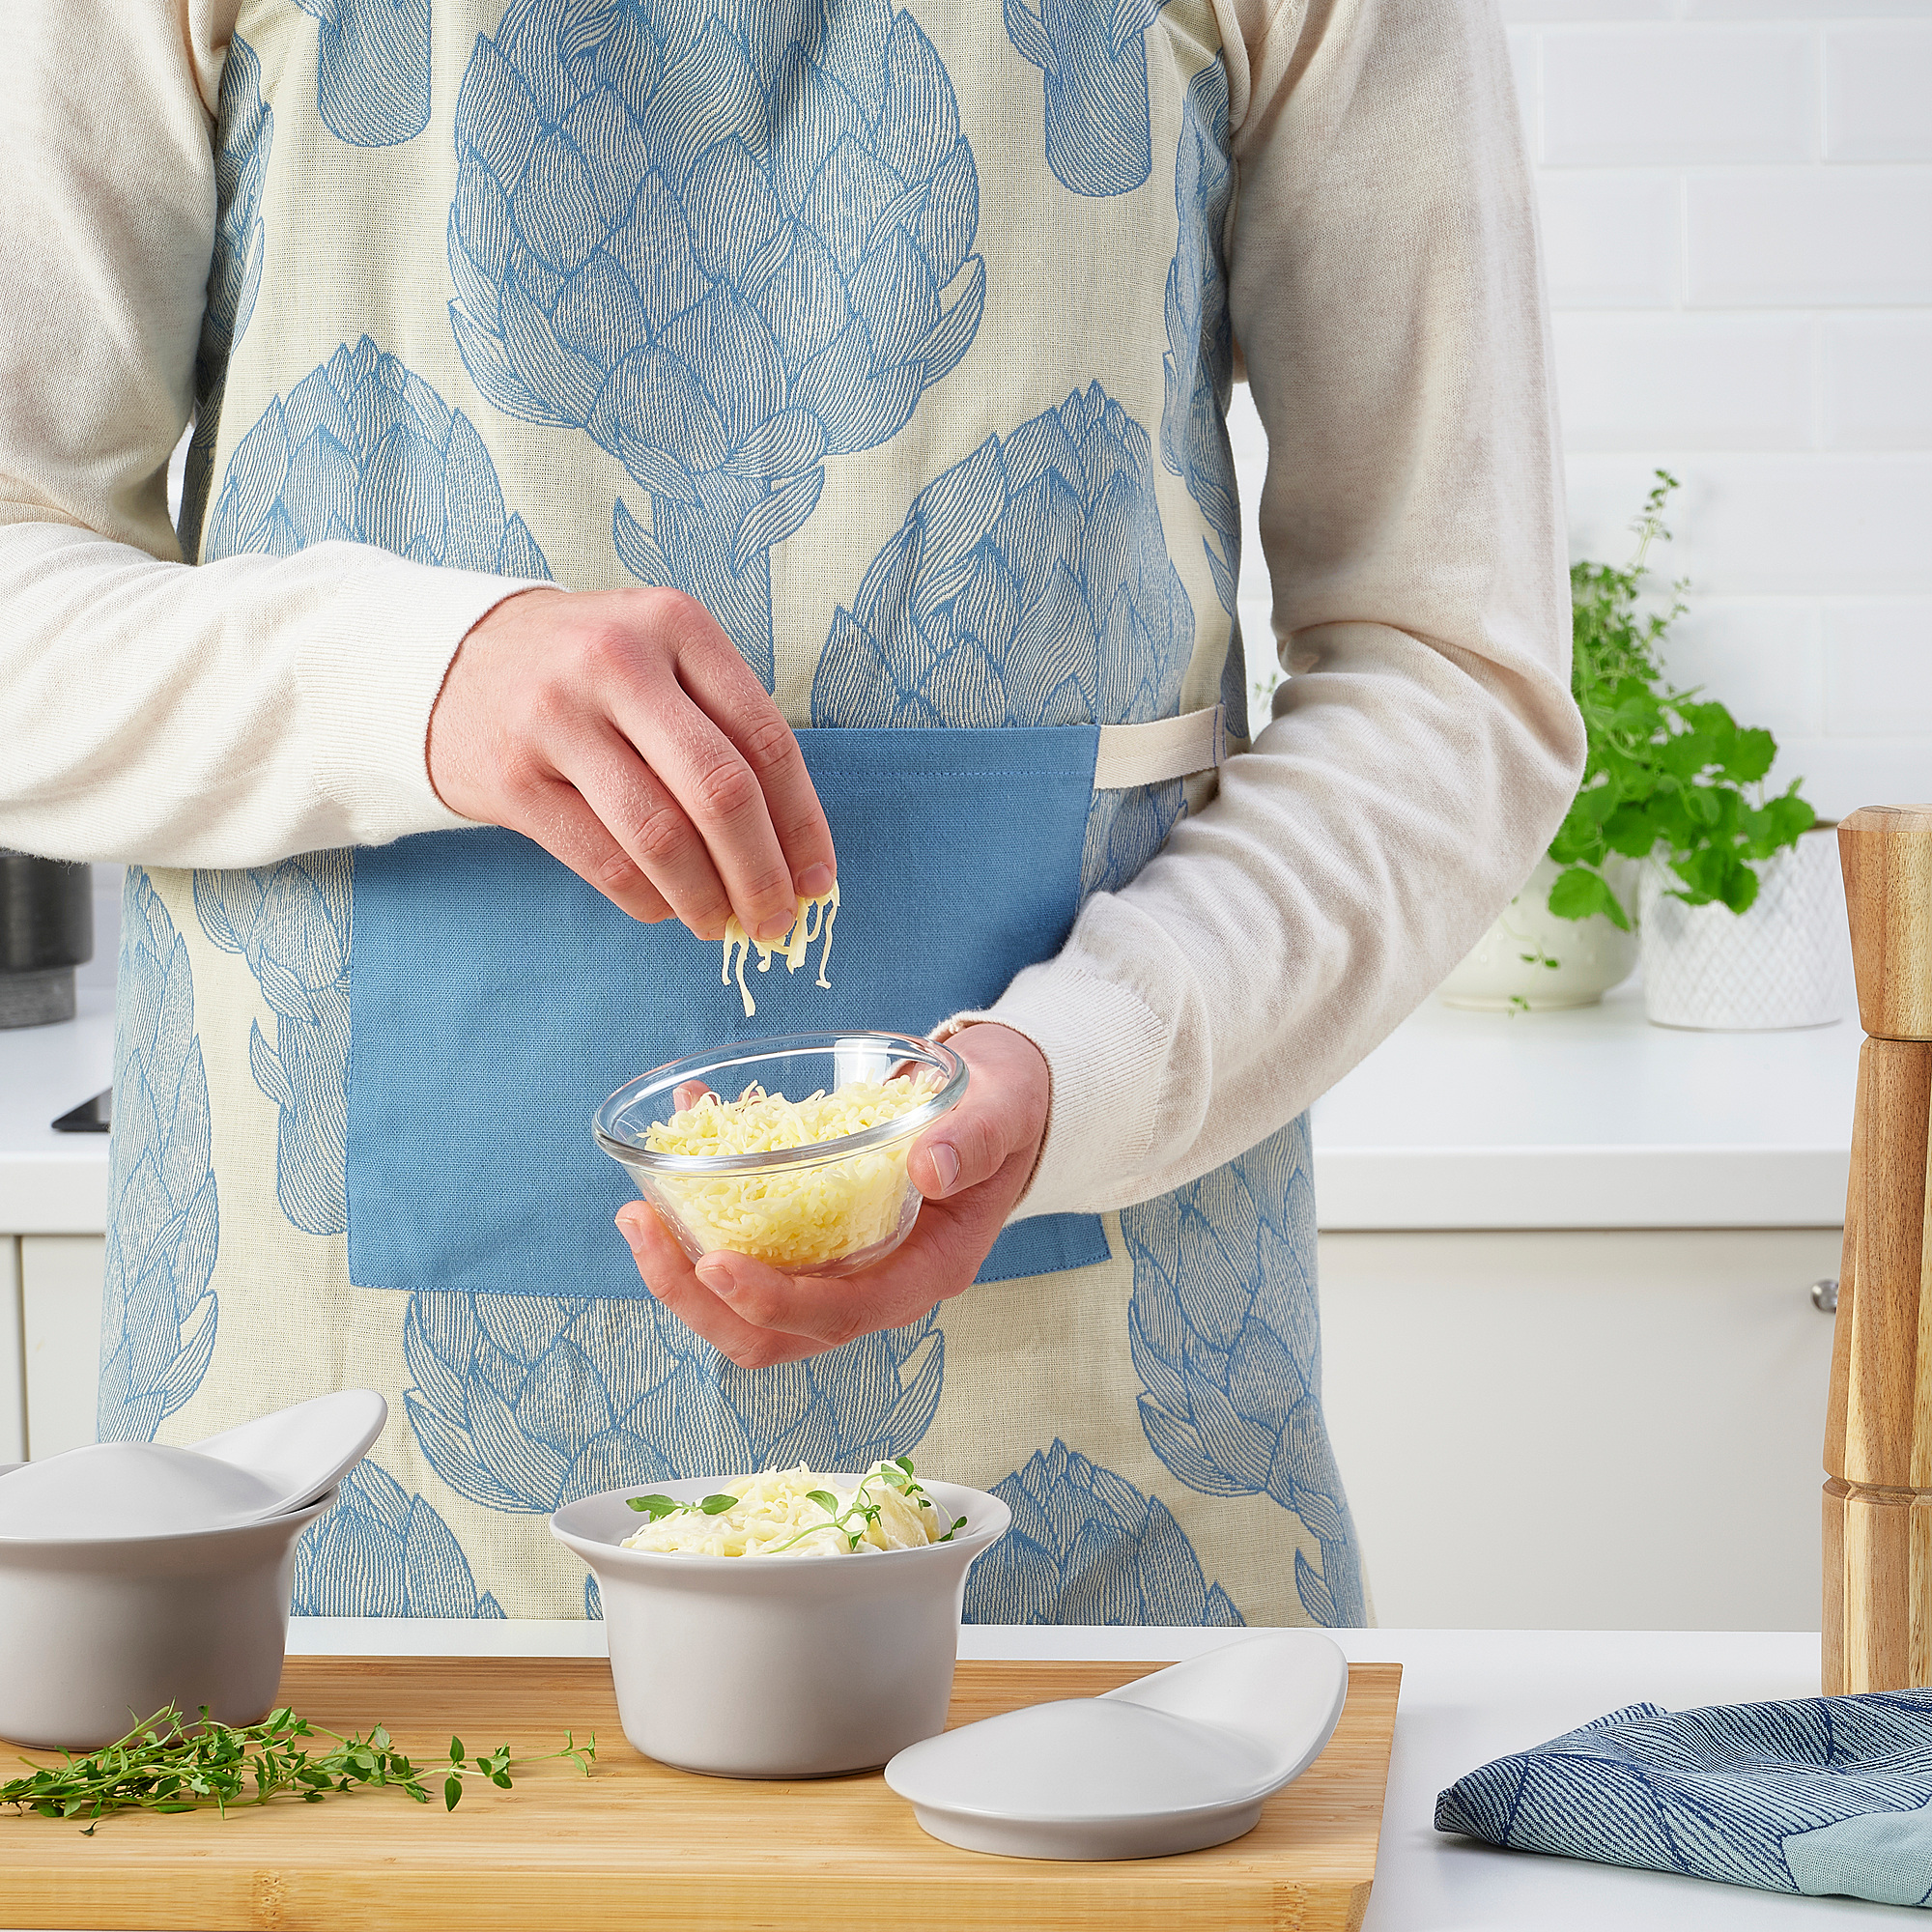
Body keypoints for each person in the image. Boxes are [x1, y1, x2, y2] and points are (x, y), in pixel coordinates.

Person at [1, 0, 1582, 1623]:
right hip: (318, 1506)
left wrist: (1083, 1069)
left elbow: (1453, 667)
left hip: (1089, 1486)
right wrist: (407, 680)